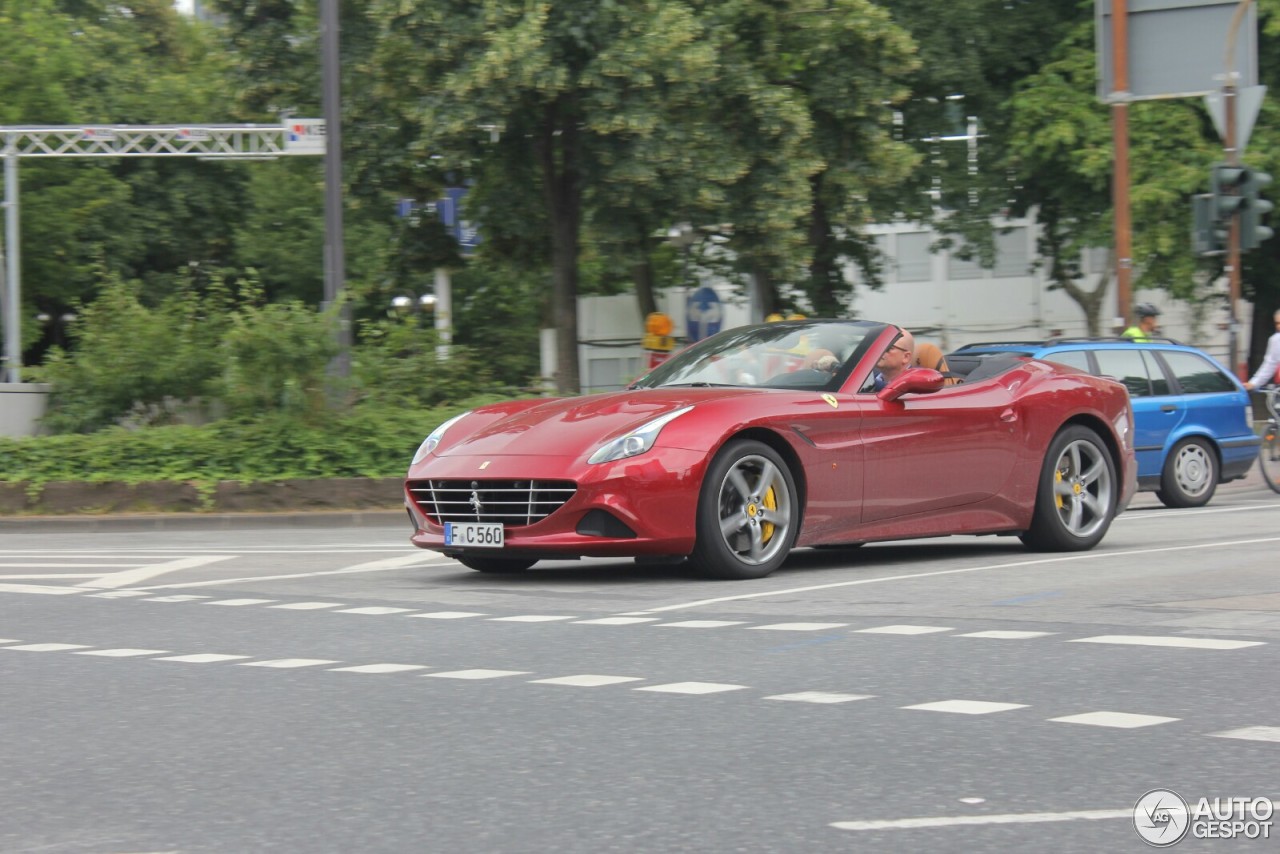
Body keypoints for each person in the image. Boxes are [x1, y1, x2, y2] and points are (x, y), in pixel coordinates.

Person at [1245, 309, 1280, 391]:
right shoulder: (1275, 340)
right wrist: (1253, 383)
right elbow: (1269, 365)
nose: (1279, 326)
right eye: (1277, 323)